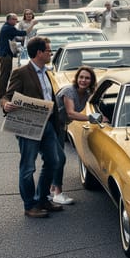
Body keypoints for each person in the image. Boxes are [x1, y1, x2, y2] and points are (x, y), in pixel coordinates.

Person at [0, 36, 64, 218]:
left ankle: (42, 198)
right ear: (39, 53)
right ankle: (30, 205)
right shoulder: (21, 72)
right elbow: (7, 96)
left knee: (53, 161)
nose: (51, 54)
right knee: (28, 167)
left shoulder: (47, 72)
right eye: (49, 51)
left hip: (48, 125)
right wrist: (5, 105)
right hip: (29, 126)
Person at [51, 66, 98, 205]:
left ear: (91, 80)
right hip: (50, 126)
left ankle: (51, 189)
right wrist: (93, 118)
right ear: (77, 78)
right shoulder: (69, 91)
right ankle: (57, 193)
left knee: (54, 159)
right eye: (81, 77)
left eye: (87, 78)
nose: (83, 80)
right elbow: (71, 113)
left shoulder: (87, 93)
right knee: (59, 158)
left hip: (60, 126)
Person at [0, 13, 29, 100]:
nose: (16, 21)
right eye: (14, 19)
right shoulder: (8, 28)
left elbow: (16, 37)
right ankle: (2, 94)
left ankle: (3, 92)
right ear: (9, 20)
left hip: (5, 53)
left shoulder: (7, 27)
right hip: (5, 54)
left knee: (6, 73)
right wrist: (33, 24)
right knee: (5, 74)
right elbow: (24, 33)